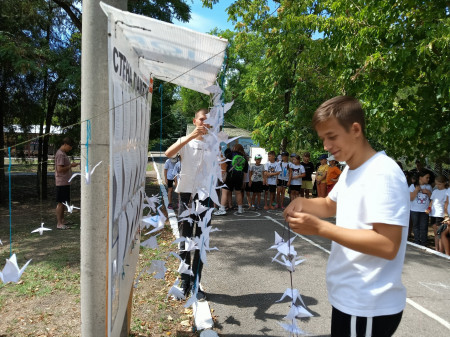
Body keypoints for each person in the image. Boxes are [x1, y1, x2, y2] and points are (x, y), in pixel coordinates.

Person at [284, 96, 409, 337]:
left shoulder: (382, 173)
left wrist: (320, 229)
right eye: (323, 139)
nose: (326, 146)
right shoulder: (351, 169)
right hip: (352, 298)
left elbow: (387, 245)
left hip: (367, 304)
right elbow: (330, 204)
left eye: (332, 136)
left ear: (355, 130)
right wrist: (303, 203)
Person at [164, 108, 211, 300]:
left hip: (205, 197)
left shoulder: (213, 144)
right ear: (195, 120)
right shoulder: (186, 141)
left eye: (208, 121)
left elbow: (222, 167)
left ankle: (196, 282)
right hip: (186, 196)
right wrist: (192, 135)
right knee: (185, 240)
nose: (204, 123)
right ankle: (185, 280)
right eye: (201, 120)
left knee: (200, 241)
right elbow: (168, 154)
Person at [214, 144, 249, 215]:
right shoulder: (244, 158)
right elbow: (245, 171)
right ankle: (240, 209)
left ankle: (222, 209)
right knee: (238, 192)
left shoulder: (231, 154)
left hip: (231, 175)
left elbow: (225, 162)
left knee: (224, 191)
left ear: (235, 147)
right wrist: (243, 181)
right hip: (240, 176)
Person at [55, 137, 79, 230]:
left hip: (65, 182)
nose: (70, 149)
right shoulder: (60, 154)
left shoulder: (63, 153)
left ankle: (63, 220)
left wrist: (70, 166)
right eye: (70, 147)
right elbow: (60, 169)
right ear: (65, 144)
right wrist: (70, 166)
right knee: (60, 203)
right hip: (61, 182)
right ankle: (59, 223)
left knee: (64, 202)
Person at [409, 170, 432, 246]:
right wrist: (416, 190)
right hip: (414, 210)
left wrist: (428, 192)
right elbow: (411, 198)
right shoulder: (412, 186)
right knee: (416, 226)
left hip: (424, 210)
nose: (428, 179)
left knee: (424, 226)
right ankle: (417, 242)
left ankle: (424, 243)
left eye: (429, 178)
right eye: (427, 177)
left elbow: (432, 198)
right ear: (420, 178)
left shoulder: (428, 187)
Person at [427, 175, 448, 251]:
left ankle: (440, 250)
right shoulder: (435, 191)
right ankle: (436, 249)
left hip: (440, 214)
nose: (437, 186)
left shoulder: (446, 191)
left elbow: (446, 203)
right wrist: (429, 209)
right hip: (433, 214)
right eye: (436, 184)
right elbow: (431, 201)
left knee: (439, 233)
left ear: (444, 183)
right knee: (435, 233)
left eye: (439, 184)